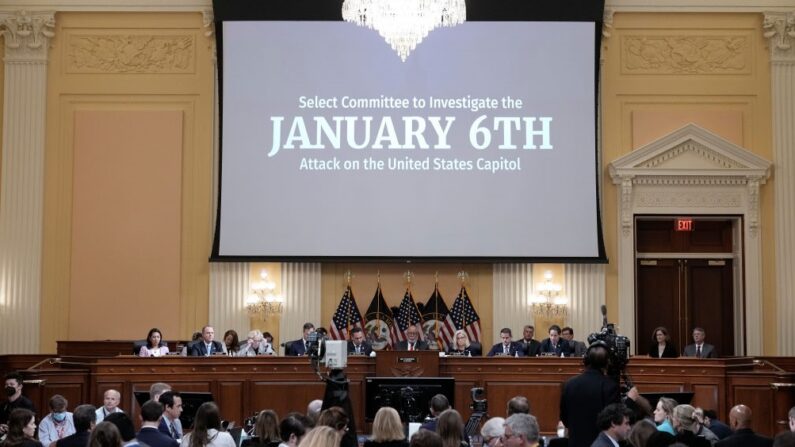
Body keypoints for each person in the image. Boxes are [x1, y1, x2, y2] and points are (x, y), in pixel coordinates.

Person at [560, 343, 620, 447]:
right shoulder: (610, 386)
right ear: (607, 363)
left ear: (586, 361)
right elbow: (614, 420)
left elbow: (564, 417)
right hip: (600, 443)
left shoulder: (569, 384)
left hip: (575, 442)